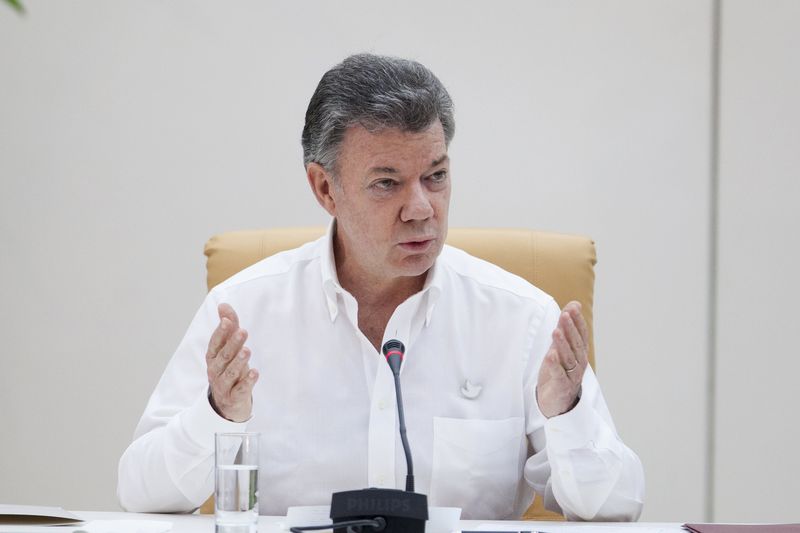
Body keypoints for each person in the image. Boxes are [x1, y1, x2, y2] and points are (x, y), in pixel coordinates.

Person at [118, 53, 645, 521]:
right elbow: (140, 493)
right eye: (387, 183)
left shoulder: (521, 319)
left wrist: (565, 413)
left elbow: (617, 503)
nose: (421, 209)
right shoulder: (245, 312)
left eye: (435, 177)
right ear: (325, 187)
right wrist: (215, 414)